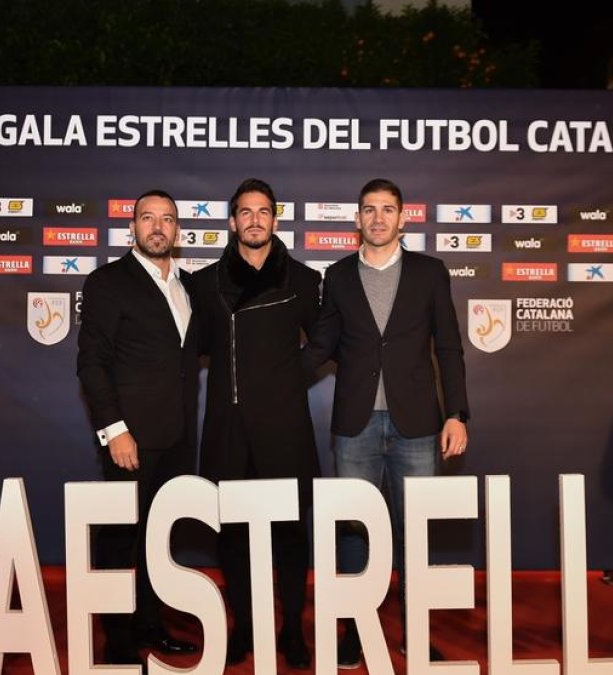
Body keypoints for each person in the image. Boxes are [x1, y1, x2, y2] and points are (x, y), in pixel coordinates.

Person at [303, 177, 469, 667]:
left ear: (403, 218)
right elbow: (321, 345)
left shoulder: (431, 272)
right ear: (357, 219)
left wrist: (456, 413)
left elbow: (450, 348)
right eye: (369, 209)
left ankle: (415, 634)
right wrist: (270, 375)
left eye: (387, 209)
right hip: (355, 425)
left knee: (415, 534)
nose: (378, 218)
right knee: (354, 533)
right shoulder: (335, 276)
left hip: (417, 425)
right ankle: (354, 634)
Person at [192, 178, 321, 670]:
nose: (253, 220)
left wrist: (291, 378)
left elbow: (326, 340)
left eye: (262, 211)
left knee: (290, 534)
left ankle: (292, 628)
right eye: (244, 212)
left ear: (274, 219)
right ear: (232, 222)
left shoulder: (304, 281)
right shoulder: (204, 283)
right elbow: (189, 351)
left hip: (284, 429)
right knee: (233, 537)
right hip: (228, 428)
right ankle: (244, 627)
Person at [76, 189, 200, 666]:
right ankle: (118, 639)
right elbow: (92, 363)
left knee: (159, 536)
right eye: (148, 218)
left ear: (177, 230)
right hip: (130, 439)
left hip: (177, 437)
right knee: (119, 536)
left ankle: (151, 624)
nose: (157, 227)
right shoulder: (109, 282)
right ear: (133, 227)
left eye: (167, 219)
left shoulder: (187, 286)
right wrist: (114, 428)